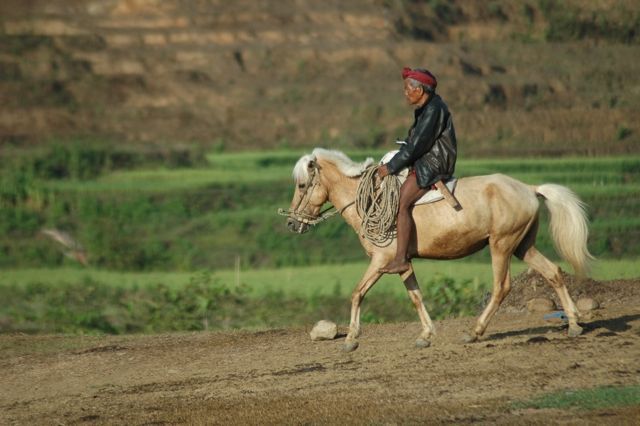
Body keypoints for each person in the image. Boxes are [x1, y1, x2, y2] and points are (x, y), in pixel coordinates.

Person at [377, 67, 457, 274]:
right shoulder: (425, 108)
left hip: (434, 162)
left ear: (419, 90)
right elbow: (413, 142)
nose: (405, 93)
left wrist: (391, 167)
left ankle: (401, 258)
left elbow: (416, 147)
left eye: (407, 89)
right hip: (426, 158)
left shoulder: (433, 110)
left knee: (401, 202)